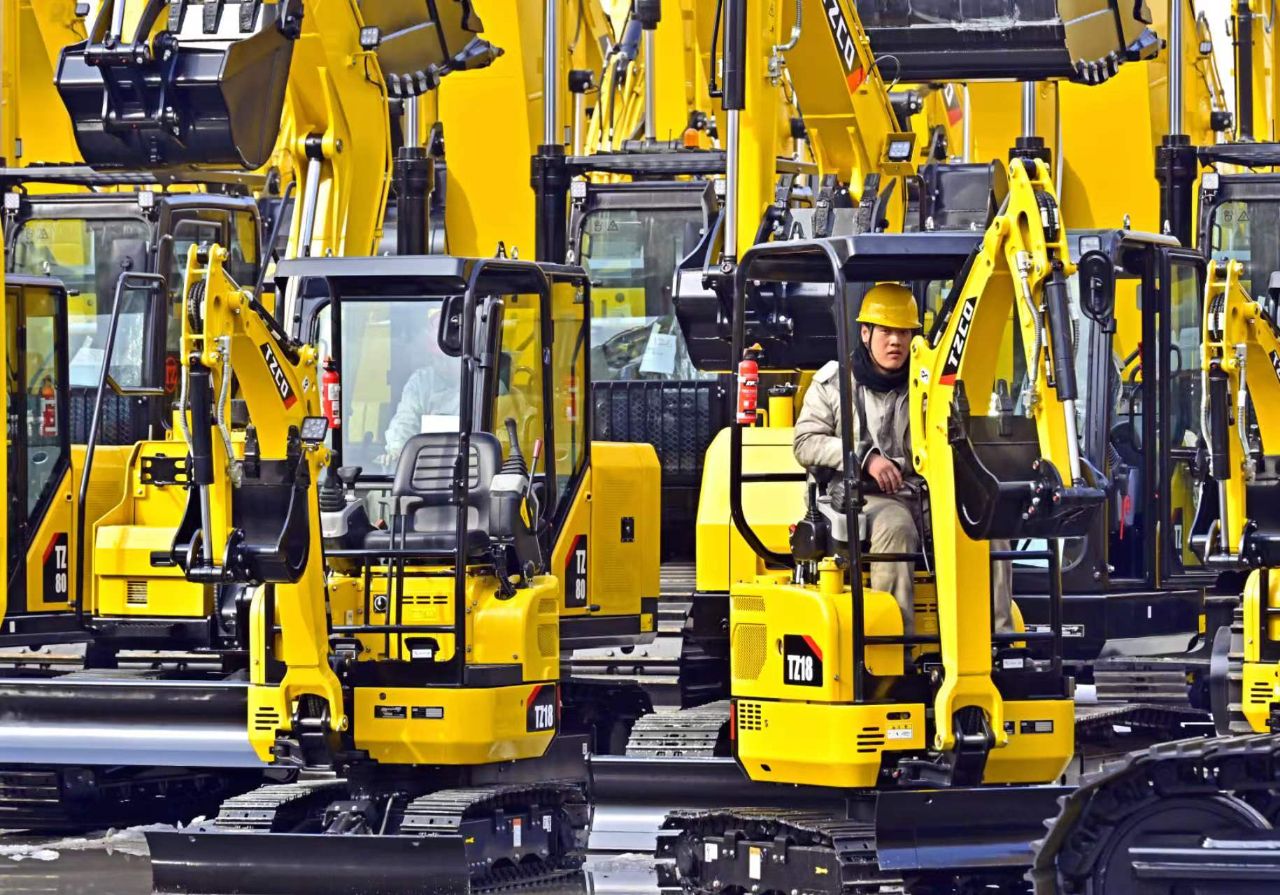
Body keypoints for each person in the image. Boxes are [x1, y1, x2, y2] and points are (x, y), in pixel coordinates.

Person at [793, 282, 1012, 635]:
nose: (895, 341)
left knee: (986, 528)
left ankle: (998, 641)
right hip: (860, 496)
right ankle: (895, 645)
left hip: (921, 492)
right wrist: (864, 459)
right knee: (896, 527)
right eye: (886, 331)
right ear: (865, 333)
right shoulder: (834, 383)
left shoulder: (929, 385)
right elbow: (805, 443)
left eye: (904, 332)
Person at [380, 311, 461, 465]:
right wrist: (397, 451)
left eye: (449, 359)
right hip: (426, 466)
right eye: (438, 359)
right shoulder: (421, 382)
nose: (444, 366)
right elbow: (405, 420)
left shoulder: (485, 383)